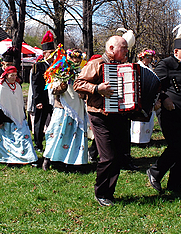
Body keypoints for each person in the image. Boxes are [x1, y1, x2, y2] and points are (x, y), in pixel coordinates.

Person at [73, 35, 130, 206]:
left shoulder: (124, 67)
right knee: (108, 156)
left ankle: (109, 192)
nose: (127, 51)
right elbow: (78, 84)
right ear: (111, 48)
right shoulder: (96, 64)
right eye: (124, 48)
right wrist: (97, 88)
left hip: (118, 114)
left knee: (120, 155)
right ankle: (101, 192)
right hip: (99, 114)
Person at [146, 36, 181, 194]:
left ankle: (175, 185)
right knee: (178, 146)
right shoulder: (165, 65)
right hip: (171, 114)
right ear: (176, 51)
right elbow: (153, 85)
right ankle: (155, 172)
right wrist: (164, 98)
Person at [42, 49, 89, 171]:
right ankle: (48, 159)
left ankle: (73, 160)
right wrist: (61, 87)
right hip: (63, 107)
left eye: (79, 60)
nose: (77, 62)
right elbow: (53, 90)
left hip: (77, 106)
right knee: (57, 133)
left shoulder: (82, 71)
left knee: (73, 134)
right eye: (75, 60)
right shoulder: (60, 69)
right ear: (69, 58)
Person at [0, 66, 38, 164]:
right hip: (3, 119)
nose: (13, 77)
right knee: (3, 142)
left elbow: (19, 103)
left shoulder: (18, 86)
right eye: (11, 75)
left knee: (23, 137)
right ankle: (4, 159)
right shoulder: (1, 87)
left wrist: (23, 115)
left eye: (15, 75)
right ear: (6, 75)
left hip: (17, 119)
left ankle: (29, 158)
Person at [31, 31, 56, 152]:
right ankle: (38, 144)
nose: (52, 55)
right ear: (44, 53)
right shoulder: (39, 66)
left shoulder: (57, 65)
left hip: (54, 99)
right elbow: (35, 85)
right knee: (40, 123)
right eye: (50, 53)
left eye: (53, 53)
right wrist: (37, 101)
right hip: (42, 99)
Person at [130, 49, 157, 145]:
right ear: (142, 57)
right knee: (138, 117)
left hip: (148, 93)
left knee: (149, 115)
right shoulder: (137, 66)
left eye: (150, 58)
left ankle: (146, 138)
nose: (149, 60)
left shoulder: (150, 67)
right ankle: (136, 139)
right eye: (147, 58)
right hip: (139, 93)